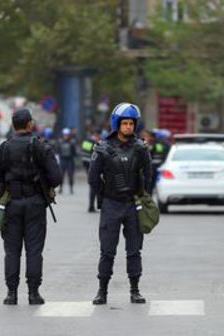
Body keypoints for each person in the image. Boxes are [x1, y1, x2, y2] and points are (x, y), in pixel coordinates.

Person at [0, 108, 61, 305]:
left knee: (12, 251)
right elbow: (56, 177)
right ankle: (34, 293)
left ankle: (11, 294)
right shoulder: (41, 147)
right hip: (36, 203)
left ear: (13, 125)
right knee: (34, 250)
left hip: (10, 204)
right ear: (30, 124)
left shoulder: (3, 148)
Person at [88, 103, 151, 305]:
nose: (128, 127)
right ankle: (102, 291)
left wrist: (143, 196)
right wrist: (104, 195)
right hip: (111, 205)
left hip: (133, 204)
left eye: (131, 123)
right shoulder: (103, 148)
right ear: (117, 124)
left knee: (134, 251)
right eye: (124, 123)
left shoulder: (141, 148)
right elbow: (93, 177)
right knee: (107, 251)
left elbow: (149, 175)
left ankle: (135, 290)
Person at [81, 130, 101, 212]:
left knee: (92, 185)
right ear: (96, 135)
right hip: (92, 165)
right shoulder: (95, 143)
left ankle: (91, 206)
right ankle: (92, 206)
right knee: (94, 186)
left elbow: (83, 151)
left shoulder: (86, 141)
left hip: (85, 163)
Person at [57, 128, 77, 194]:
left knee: (70, 175)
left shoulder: (72, 142)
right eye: (65, 135)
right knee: (61, 176)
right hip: (62, 160)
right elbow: (58, 151)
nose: (66, 136)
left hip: (69, 160)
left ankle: (71, 188)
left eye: (67, 135)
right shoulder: (60, 142)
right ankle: (60, 188)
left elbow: (74, 152)